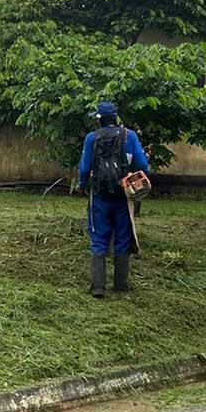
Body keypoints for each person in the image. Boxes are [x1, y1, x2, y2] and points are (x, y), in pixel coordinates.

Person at [78, 101, 150, 297]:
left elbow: (84, 169)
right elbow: (143, 165)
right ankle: (120, 284)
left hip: (99, 195)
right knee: (123, 238)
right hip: (123, 197)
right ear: (116, 118)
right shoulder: (130, 136)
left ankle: (98, 287)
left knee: (99, 239)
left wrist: (82, 185)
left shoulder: (91, 139)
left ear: (99, 120)